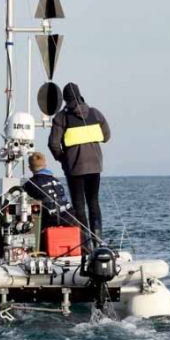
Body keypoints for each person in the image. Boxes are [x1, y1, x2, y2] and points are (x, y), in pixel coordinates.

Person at [48, 82, 110, 252]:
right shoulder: (95, 113)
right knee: (94, 202)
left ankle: (86, 245)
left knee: (79, 206)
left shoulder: (61, 118)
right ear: (80, 95)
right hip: (95, 166)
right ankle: (99, 243)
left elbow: (53, 144)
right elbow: (107, 136)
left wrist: (63, 159)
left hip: (74, 168)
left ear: (65, 99)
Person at [23, 152, 75, 228]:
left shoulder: (30, 184)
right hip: (68, 218)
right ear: (45, 165)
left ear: (30, 168)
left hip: (49, 220)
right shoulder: (56, 181)